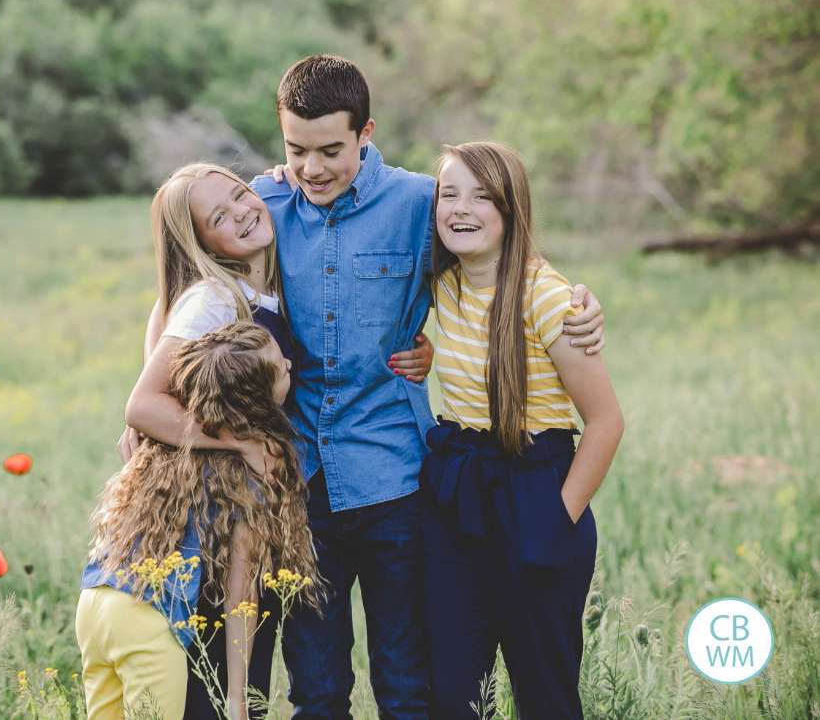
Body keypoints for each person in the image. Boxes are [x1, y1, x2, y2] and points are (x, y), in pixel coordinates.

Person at [257, 54, 606, 718]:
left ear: (366, 133)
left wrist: (581, 302)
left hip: (397, 479)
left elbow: (503, 239)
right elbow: (191, 256)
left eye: (331, 149)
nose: (313, 168)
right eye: (296, 151)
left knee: (408, 681)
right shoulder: (265, 200)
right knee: (317, 688)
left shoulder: (423, 201)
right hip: (300, 483)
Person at [115, 161, 432, 713]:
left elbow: (165, 310)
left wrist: (416, 343)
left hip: (262, 510)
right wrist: (234, 441)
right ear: (202, 243)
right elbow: (143, 403)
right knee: (223, 687)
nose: (241, 211)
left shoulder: (264, 286)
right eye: (219, 215)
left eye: (240, 194)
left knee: (251, 674)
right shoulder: (216, 298)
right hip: (218, 518)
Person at [420, 142, 624, 719]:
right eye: (449, 194)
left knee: (545, 692)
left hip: (535, 487)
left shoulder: (548, 296)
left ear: (512, 208)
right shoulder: (441, 279)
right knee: (454, 691)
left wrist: (558, 520)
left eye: (482, 196)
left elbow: (606, 422)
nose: (462, 208)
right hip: (458, 488)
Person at [77, 322, 320, 720]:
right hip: (147, 622)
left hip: (95, 603)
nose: (290, 363)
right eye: (280, 367)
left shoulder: (167, 446)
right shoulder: (251, 476)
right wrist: (238, 697)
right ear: (257, 401)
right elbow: (241, 595)